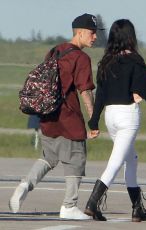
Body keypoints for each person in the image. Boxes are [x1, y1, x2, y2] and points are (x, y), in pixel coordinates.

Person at [9, 13, 103, 220]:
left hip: (48, 116)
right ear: (79, 32)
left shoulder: (55, 50)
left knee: (49, 157)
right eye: (92, 32)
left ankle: (25, 184)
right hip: (68, 117)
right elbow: (85, 90)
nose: (95, 37)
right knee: (76, 158)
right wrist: (93, 119)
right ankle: (69, 206)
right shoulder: (81, 58)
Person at [84, 19, 146, 222]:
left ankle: (137, 208)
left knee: (131, 160)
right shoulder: (136, 60)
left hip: (110, 117)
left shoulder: (106, 62)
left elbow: (101, 95)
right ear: (131, 37)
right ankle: (92, 203)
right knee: (115, 162)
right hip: (128, 116)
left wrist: (94, 122)